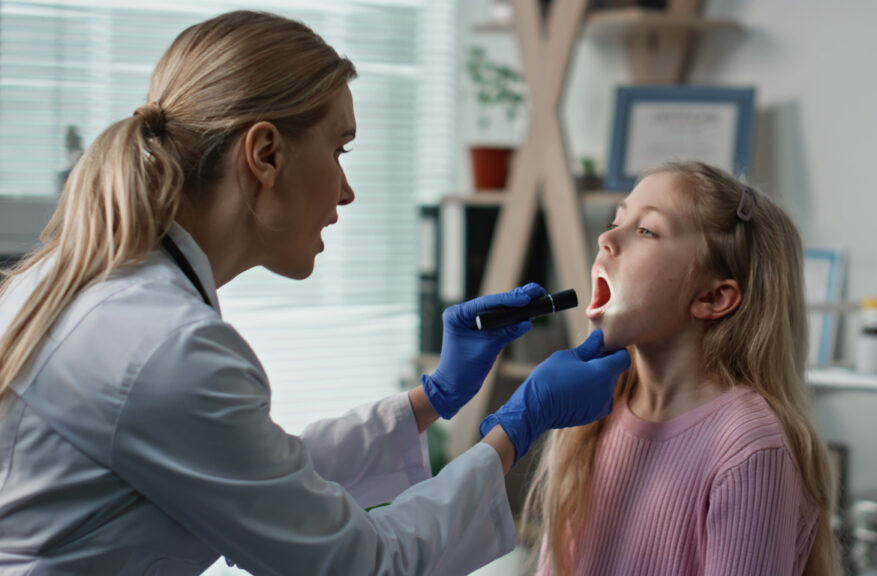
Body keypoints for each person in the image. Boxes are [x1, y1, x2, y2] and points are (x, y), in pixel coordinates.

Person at [0, 11, 631, 575]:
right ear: (266, 153)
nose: (347, 191)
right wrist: (516, 430)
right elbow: (364, 565)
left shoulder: (82, 287)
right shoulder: (167, 351)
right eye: (338, 148)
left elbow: (258, 473)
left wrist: (432, 397)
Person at [520, 161, 835, 576]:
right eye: (618, 220)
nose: (606, 238)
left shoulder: (750, 448)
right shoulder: (592, 416)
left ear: (714, 297)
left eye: (646, 230)